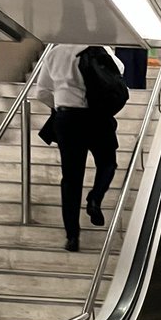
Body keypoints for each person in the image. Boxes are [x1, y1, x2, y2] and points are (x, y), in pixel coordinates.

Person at [33, 44, 124, 252]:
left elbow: (42, 92)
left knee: (71, 179)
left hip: (67, 118)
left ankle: (72, 237)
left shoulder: (54, 53)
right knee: (107, 162)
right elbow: (119, 71)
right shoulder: (101, 49)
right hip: (96, 117)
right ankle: (95, 198)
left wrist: (60, 105)